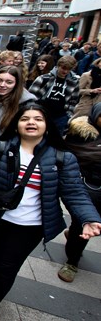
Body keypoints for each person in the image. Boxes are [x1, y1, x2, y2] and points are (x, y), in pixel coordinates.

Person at [0, 103, 101, 321]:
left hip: (30, 228)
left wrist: (89, 218)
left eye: (38, 119)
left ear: (47, 126)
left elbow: (75, 192)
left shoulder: (63, 158)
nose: (31, 122)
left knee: (7, 267)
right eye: (25, 119)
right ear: (16, 125)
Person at [56, 103, 101, 282]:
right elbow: (69, 159)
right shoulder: (81, 134)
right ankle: (72, 261)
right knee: (82, 225)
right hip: (88, 190)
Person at [28, 56, 80, 135]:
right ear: (58, 66)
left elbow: (73, 100)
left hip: (60, 116)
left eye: (69, 69)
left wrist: (68, 115)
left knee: (55, 142)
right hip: (41, 113)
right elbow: (31, 96)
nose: (65, 71)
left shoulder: (74, 82)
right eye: (63, 68)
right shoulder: (44, 78)